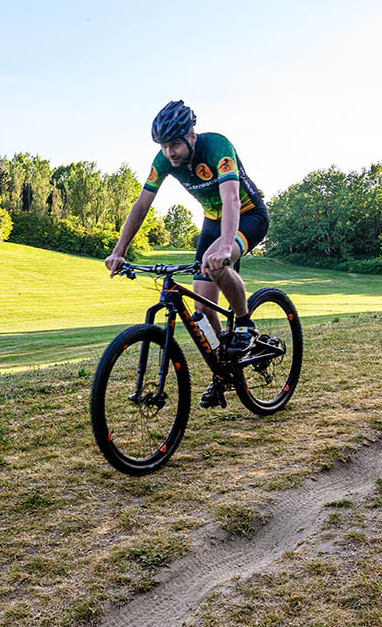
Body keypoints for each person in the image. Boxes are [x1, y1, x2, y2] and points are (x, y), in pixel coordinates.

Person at [106, 100, 269, 405]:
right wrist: (119, 251)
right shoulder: (164, 160)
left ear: (192, 137)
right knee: (203, 309)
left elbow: (232, 198)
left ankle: (245, 323)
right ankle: (223, 370)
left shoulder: (217, 147)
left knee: (219, 266)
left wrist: (225, 244)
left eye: (175, 144)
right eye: (165, 146)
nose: (170, 152)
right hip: (212, 221)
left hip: (248, 215)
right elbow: (142, 205)